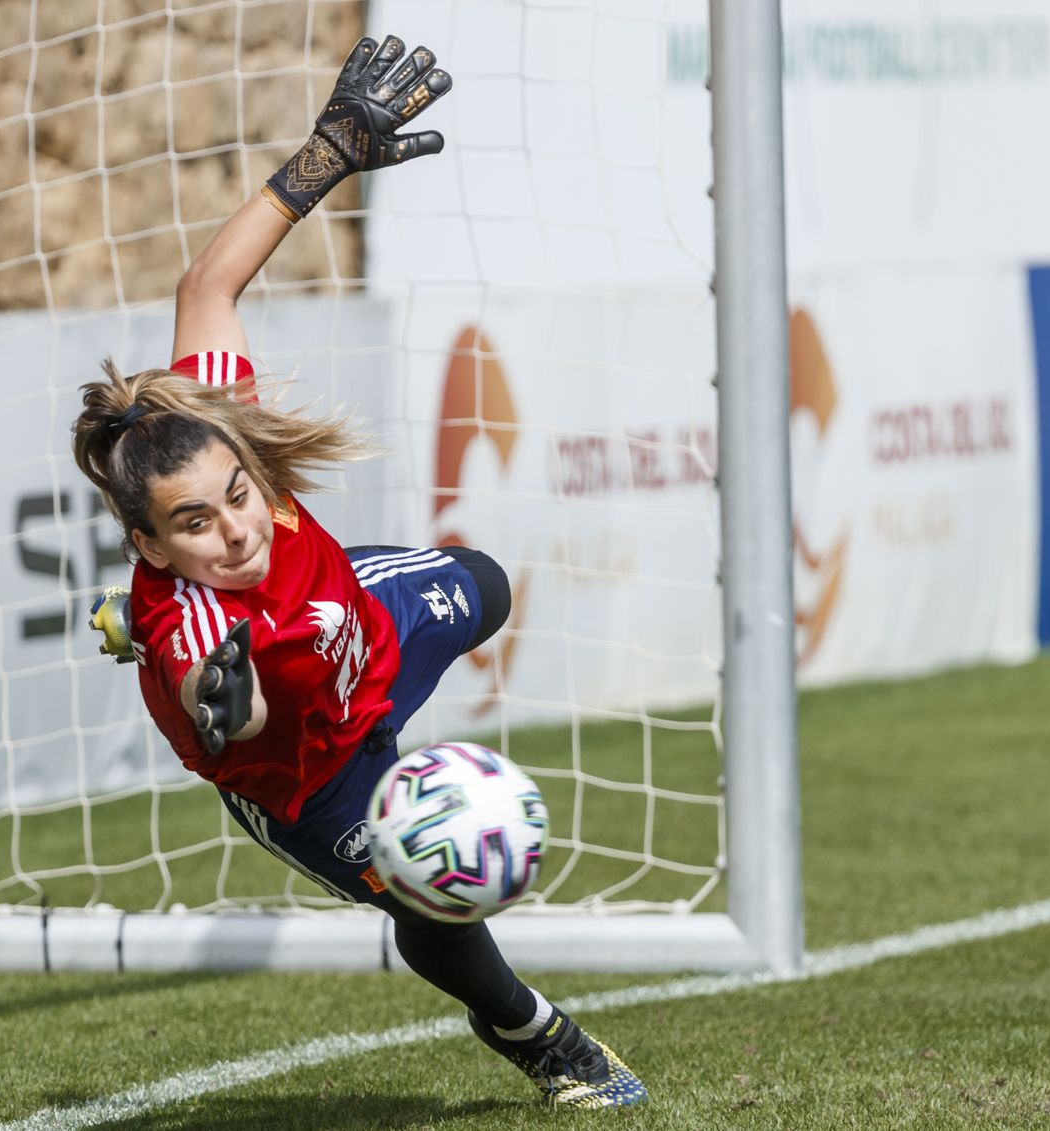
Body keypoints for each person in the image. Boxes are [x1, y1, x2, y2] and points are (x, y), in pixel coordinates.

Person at [70, 35, 646, 1110]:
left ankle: (134, 620)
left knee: (490, 584)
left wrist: (329, 150)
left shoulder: (220, 450)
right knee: (432, 904)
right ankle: (543, 1041)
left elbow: (209, 281)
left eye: (238, 496)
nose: (234, 531)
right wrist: (215, 693)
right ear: (152, 548)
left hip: (364, 618)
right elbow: (214, 696)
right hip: (310, 773)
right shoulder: (197, 626)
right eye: (193, 527)